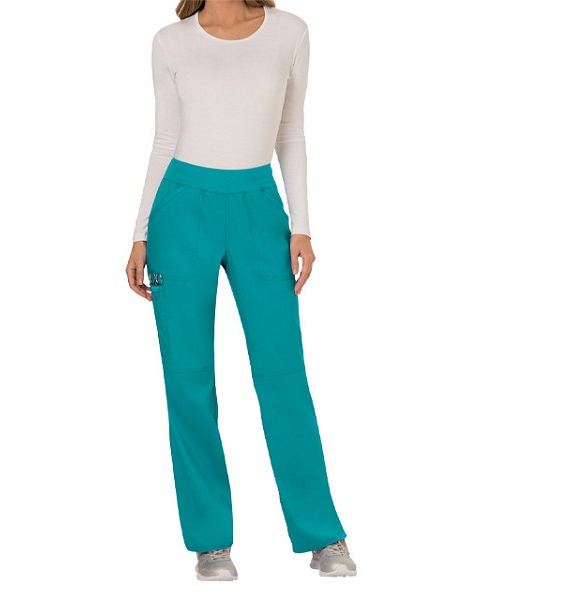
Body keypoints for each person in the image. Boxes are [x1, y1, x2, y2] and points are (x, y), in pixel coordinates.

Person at [125, 0, 356, 580]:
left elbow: (291, 133)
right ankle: (211, 543)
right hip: (180, 211)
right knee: (188, 377)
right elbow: (164, 138)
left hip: (259, 209)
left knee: (283, 373)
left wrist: (302, 226)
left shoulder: (290, 32)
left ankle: (322, 535)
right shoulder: (170, 41)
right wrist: (140, 233)